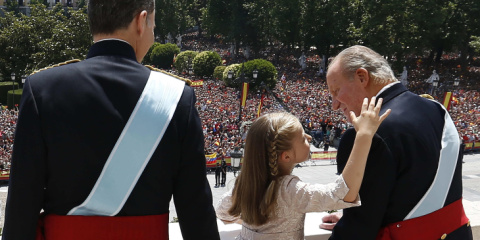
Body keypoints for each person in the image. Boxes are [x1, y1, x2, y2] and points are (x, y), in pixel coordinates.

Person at [3, 1, 219, 239]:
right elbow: (197, 216)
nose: (152, 34)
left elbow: (21, 209)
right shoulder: (176, 97)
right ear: (141, 21)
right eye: (153, 27)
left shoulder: (41, 89)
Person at [322, 45, 472, 240]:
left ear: (362, 77)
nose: (334, 105)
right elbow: (410, 192)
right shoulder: (436, 108)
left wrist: (348, 221)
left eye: (336, 91)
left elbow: (358, 228)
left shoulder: (364, 135)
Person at [216, 97, 390, 239]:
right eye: (302, 138)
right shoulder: (290, 190)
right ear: (286, 156)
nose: (308, 137)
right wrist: (364, 136)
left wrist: (257, 227)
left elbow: (222, 212)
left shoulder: (244, 185)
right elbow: (343, 193)